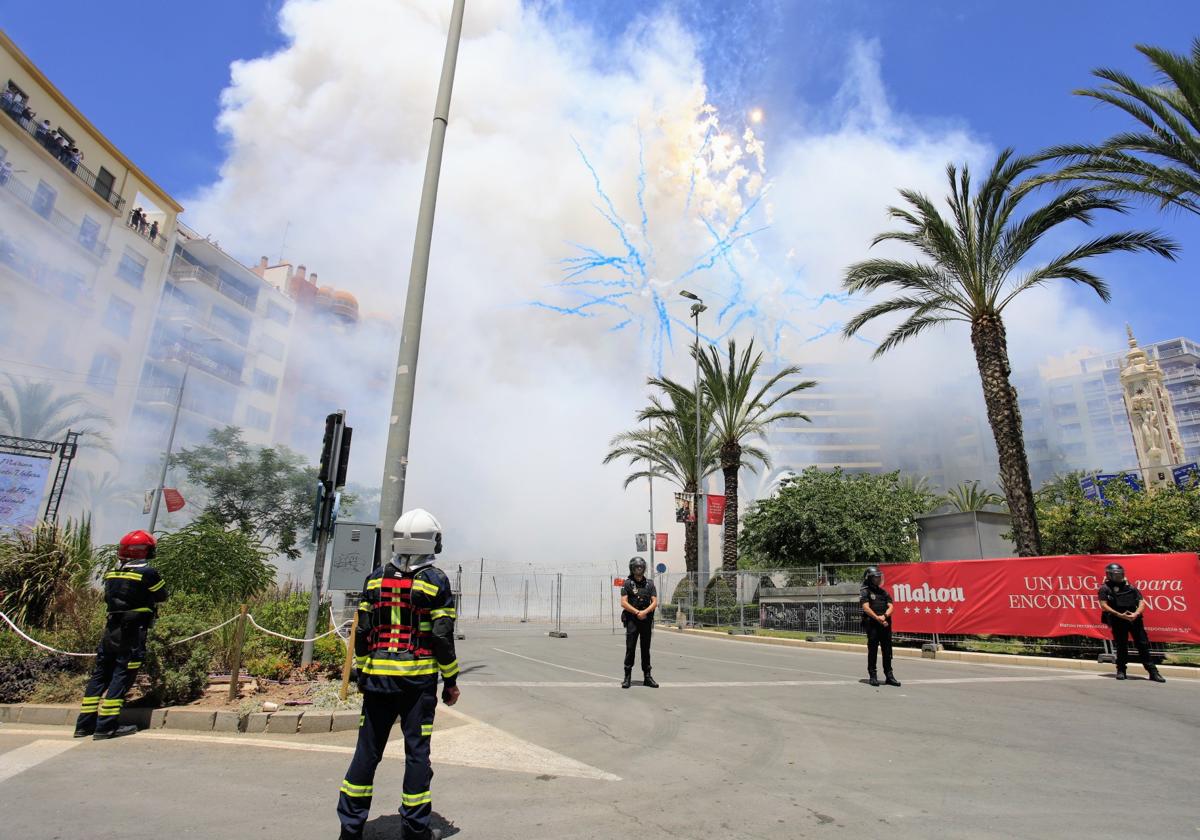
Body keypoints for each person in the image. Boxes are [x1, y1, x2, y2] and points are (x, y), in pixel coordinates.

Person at [337, 509, 460, 840]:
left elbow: (362, 631)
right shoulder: (435, 581)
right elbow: (441, 636)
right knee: (417, 753)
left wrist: (364, 669)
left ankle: (350, 829)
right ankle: (415, 829)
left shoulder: (375, 578)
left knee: (367, 752)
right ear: (431, 541)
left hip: (377, 679)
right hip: (416, 682)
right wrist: (450, 680)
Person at [74, 530, 169, 739]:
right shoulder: (148, 573)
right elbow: (162, 595)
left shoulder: (112, 573)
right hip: (133, 631)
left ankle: (84, 725)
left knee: (100, 675)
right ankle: (106, 726)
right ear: (144, 550)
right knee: (122, 674)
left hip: (111, 630)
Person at [1098, 563, 1166, 683]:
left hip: (1134, 619)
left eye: (1120, 574)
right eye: (1116, 574)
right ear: (1109, 575)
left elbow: (1141, 602)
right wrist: (1119, 615)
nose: (1119, 576)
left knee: (1143, 645)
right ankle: (1121, 670)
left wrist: (1136, 614)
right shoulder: (1105, 588)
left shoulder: (1130, 587)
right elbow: (1103, 605)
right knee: (1121, 645)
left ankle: (1153, 672)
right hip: (1118, 620)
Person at [620, 556, 658, 688]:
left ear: (644, 568)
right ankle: (627, 677)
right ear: (632, 568)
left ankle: (647, 677)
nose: (639, 569)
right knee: (630, 648)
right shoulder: (627, 583)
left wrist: (644, 612)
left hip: (646, 620)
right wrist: (637, 612)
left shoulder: (650, 584)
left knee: (645, 649)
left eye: (641, 567)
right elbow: (623, 602)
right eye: (636, 567)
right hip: (632, 620)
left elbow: (654, 602)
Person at [859, 566, 900, 687]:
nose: (878, 579)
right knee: (873, 650)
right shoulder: (865, 591)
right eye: (875, 577)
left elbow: (891, 606)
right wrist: (878, 618)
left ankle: (889, 675)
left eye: (879, 577)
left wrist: (885, 615)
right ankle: (873, 675)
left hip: (885, 625)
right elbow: (866, 607)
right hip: (872, 625)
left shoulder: (883, 592)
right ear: (869, 578)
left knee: (887, 650)